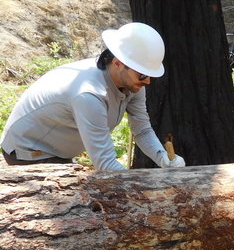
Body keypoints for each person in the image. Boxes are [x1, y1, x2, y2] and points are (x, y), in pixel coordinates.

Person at [1, 22, 186, 171]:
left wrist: (163, 158)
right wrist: (148, 190)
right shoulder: (89, 94)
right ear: (118, 63)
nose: (147, 82)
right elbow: (105, 165)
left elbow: (142, 130)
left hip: (58, 151)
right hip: (28, 151)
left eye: (149, 75)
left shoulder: (134, 83)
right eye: (143, 75)